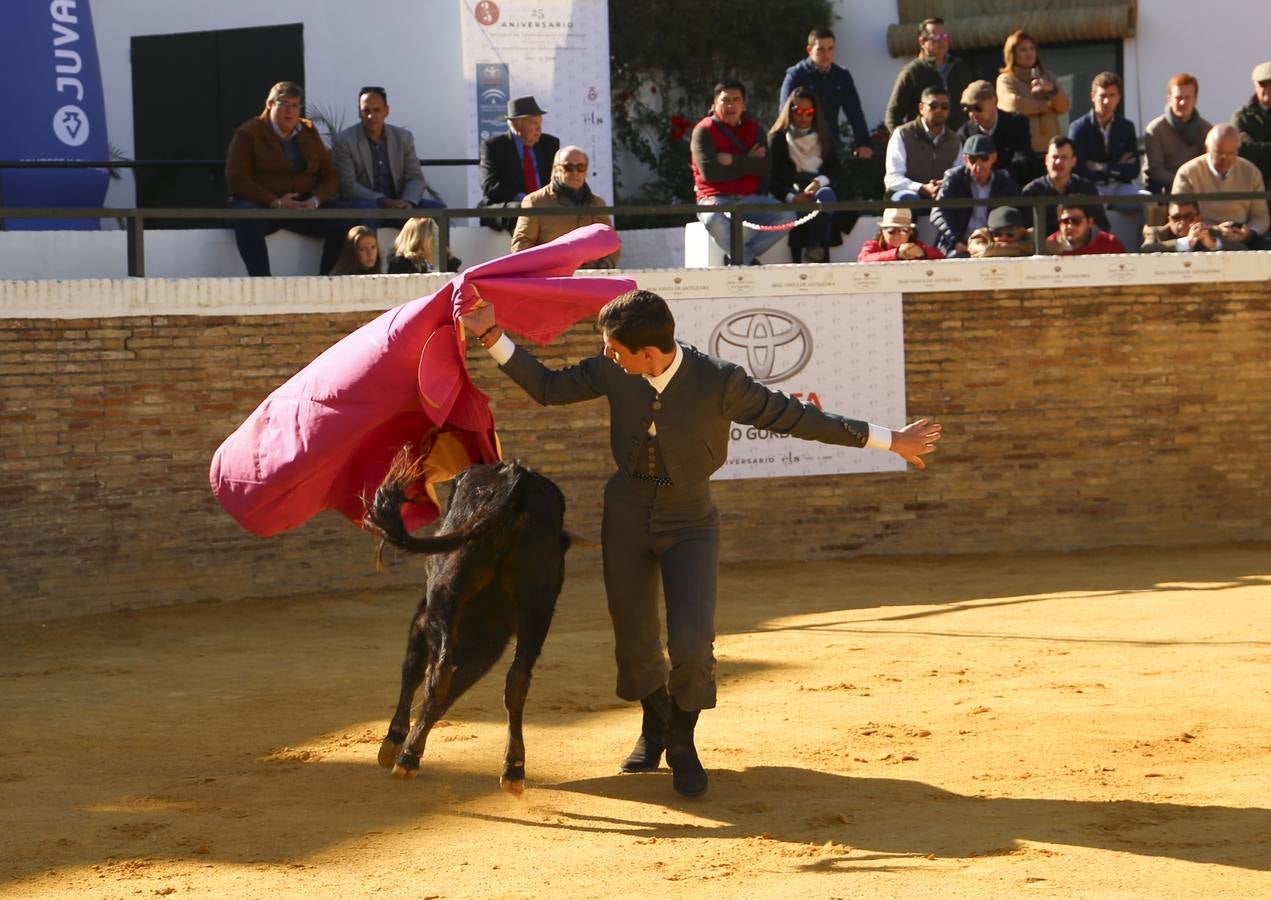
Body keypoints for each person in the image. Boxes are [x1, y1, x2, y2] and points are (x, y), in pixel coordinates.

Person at [459, 288, 942, 798]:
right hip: (625, 517)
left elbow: (799, 417)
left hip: (690, 521)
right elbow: (548, 388)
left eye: (614, 349)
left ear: (648, 353)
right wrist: (490, 333)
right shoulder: (613, 369)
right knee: (635, 637)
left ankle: (683, 741)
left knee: (692, 643)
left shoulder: (720, 381)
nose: (606, 356)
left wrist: (890, 439)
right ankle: (654, 726)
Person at [225, 81, 350, 276]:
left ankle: (325, 281)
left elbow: (330, 175)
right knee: (246, 218)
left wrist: (314, 200)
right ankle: (262, 283)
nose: (290, 111)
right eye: (284, 104)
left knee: (345, 219)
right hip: (265, 207)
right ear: (270, 105)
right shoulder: (248, 133)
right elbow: (237, 179)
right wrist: (274, 201)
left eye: (295, 105)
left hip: (302, 207)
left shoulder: (308, 131)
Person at [691, 81, 796, 265]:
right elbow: (710, 173)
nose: (731, 105)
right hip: (714, 199)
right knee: (713, 219)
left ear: (744, 105)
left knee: (787, 216)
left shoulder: (755, 130)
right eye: (725, 100)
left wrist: (732, 160)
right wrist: (748, 162)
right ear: (714, 104)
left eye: (736, 100)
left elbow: (764, 168)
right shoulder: (703, 130)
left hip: (749, 199)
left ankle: (738, 257)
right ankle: (746, 259)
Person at [331, 86, 446, 213]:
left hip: (399, 203)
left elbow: (415, 177)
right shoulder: (345, 140)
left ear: (386, 111)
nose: (371, 116)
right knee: (369, 209)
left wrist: (407, 202)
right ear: (359, 112)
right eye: (366, 110)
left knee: (438, 209)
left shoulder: (403, 138)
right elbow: (348, 185)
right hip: (367, 204)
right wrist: (382, 201)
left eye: (376, 110)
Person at [511, 146, 619, 268]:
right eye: (568, 167)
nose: (574, 173)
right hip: (553, 279)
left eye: (580, 167)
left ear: (586, 171)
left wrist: (605, 265)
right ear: (556, 170)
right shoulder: (535, 202)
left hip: (591, 279)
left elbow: (611, 241)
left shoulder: (597, 203)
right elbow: (522, 245)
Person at [767, 87, 841, 263]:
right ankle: (800, 256)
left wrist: (818, 182)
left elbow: (836, 170)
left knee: (826, 195)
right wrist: (792, 197)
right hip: (791, 191)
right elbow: (771, 177)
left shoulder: (824, 136)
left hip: (817, 186)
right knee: (801, 209)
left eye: (809, 112)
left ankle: (816, 247)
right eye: (799, 111)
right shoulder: (777, 138)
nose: (803, 117)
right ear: (791, 111)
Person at [778, 27, 874, 159]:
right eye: (821, 49)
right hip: (800, 147)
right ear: (810, 50)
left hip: (830, 145)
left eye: (830, 49)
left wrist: (863, 143)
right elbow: (784, 114)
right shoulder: (796, 75)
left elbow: (855, 112)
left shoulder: (842, 76)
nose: (826, 54)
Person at [1172, 124, 1269, 241]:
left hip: (1241, 237)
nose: (1225, 159)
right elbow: (1180, 217)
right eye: (1218, 154)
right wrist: (1214, 230)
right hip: (1202, 239)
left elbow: (1261, 216)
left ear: (1237, 151)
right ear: (1207, 149)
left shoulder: (1251, 172)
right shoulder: (1188, 173)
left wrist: (1250, 231)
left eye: (1230, 154)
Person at [478, 96, 561, 232]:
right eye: (533, 123)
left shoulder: (550, 144)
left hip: (544, 205)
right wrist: (526, 199)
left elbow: (559, 180)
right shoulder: (493, 146)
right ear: (515, 124)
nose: (539, 129)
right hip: (512, 206)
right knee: (521, 211)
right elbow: (490, 185)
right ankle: (527, 251)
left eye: (540, 123)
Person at [931, 134, 1020, 258]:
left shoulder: (1004, 181)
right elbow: (937, 212)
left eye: (984, 158)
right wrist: (955, 240)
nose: (978, 166)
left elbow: (1014, 214)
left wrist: (1001, 238)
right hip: (958, 245)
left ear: (993, 158)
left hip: (992, 244)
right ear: (965, 159)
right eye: (973, 159)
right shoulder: (954, 178)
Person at [885, 17, 975, 133]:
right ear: (922, 42)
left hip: (957, 140)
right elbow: (892, 116)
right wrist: (907, 141)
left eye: (944, 37)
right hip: (925, 143)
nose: (942, 42)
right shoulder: (912, 72)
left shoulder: (959, 67)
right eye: (936, 38)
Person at [1068, 72, 1143, 212]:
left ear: (1119, 98)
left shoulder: (1126, 127)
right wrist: (1117, 167)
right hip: (1090, 187)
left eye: (1112, 95)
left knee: (1146, 200)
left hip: (1120, 187)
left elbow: (1134, 170)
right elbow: (1078, 170)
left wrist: (1100, 167)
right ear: (1093, 97)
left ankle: (1147, 235)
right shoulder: (1078, 128)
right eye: (1102, 96)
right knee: (1092, 206)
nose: (1107, 101)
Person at [996, 30, 1070, 156]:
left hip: (1050, 149)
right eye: (1023, 49)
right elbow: (1012, 104)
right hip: (1022, 149)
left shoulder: (1048, 76)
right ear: (1012, 54)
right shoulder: (1006, 79)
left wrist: (1051, 89)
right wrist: (1044, 105)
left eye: (1032, 48)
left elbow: (1064, 106)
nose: (1029, 53)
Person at [883, 86, 960, 204]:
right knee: (908, 199)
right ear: (921, 108)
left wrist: (941, 186)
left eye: (944, 107)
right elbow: (893, 179)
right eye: (933, 106)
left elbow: (959, 176)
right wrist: (921, 188)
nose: (939, 110)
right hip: (908, 193)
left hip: (940, 193)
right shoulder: (903, 134)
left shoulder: (954, 140)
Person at [1021, 136, 1111, 236]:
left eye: (1064, 157)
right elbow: (1024, 231)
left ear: (1073, 161)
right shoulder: (1032, 191)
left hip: (1081, 249)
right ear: (1046, 160)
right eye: (1055, 157)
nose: (1058, 162)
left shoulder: (1086, 189)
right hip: (1045, 249)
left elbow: (1102, 226)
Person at [956, 79, 1037, 186]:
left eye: (977, 108)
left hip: (1011, 187)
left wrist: (996, 177)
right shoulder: (965, 132)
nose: (972, 114)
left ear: (994, 101)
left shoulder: (1016, 123)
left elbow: (1023, 158)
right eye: (968, 109)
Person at [1142, 73, 1212, 194]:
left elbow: (1209, 165)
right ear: (1169, 99)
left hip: (1196, 187)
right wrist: (1183, 181)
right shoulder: (1155, 129)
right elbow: (1156, 171)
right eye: (1178, 97)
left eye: (1188, 97)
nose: (1183, 102)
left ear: (1195, 99)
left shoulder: (1206, 129)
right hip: (1164, 188)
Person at [1139, 200, 1248, 252]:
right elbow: (1145, 251)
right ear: (1169, 220)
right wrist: (1186, 243)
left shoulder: (1210, 232)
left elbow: (1242, 249)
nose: (1182, 222)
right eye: (1176, 218)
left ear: (1198, 218)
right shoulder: (1155, 232)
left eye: (1188, 217)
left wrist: (1212, 244)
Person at [1233, 61, 1271, 187]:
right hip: (1253, 185)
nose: (1268, 89)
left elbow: (1251, 151)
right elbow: (1240, 150)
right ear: (1255, 86)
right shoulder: (1242, 117)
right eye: (1263, 84)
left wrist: (1255, 146)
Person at [856, 207, 942, 261]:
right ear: (882, 231)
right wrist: (896, 254)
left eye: (903, 230)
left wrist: (922, 253)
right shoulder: (872, 245)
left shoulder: (915, 246)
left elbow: (940, 256)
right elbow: (863, 259)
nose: (897, 235)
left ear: (910, 232)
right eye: (891, 230)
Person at [1046, 203, 1125, 255]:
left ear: (1090, 222)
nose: (1070, 226)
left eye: (1076, 221)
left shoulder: (1110, 244)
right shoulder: (1048, 247)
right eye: (1065, 221)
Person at [967, 205, 1034, 258]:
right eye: (997, 234)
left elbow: (1035, 247)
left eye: (1009, 234)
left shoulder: (1031, 235)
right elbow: (983, 250)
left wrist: (995, 249)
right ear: (990, 232)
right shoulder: (980, 235)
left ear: (1021, 231)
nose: (1003, 238)